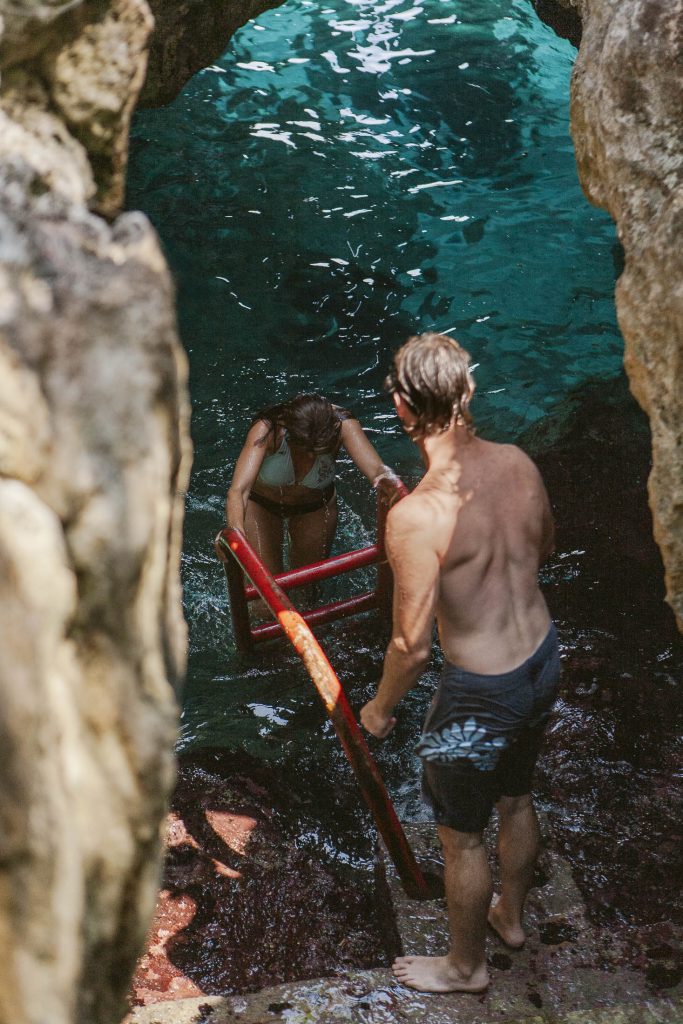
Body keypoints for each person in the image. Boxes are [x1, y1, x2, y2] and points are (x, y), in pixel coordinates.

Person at [360, 332, 559, 995]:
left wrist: (379, 710)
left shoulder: (416, 517)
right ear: (468, 389)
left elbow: (411, 647)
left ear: (401, 406)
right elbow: (544, 547)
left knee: (461, 838)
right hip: (541, 659)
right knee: (517, 798)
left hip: (479, 695)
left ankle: (464, 966)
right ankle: (510, 917)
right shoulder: (519, 463)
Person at [226, 393, 398, 573]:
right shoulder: (268, 429)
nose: (310, 456)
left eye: (318, 451)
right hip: (262, 506)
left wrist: (391, 483)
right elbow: (238, 491)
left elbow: (377, 471)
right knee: (265, 583)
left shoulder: (343, 424)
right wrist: (236, 536)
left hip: (314, 507)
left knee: (307, 586)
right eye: (304, 448)